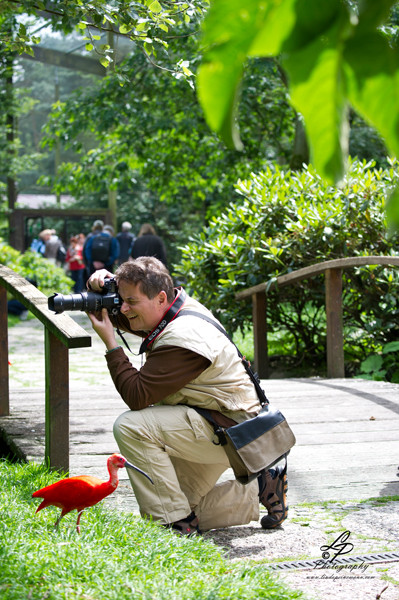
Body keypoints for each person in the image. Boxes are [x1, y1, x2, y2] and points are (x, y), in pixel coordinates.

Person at [86, 257, 288, 535]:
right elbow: (133, 317)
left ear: (159, 298)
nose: (123, 309)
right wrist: (99, 285)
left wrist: (110, 343)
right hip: (220, 422)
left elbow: (136, 395)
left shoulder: (184, 339)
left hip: (231, 436)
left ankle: (176, 525)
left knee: (131, 427)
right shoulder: (177, 305)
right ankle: (259, 489)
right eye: (121, 299)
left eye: (130, 301)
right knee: (179, 504)